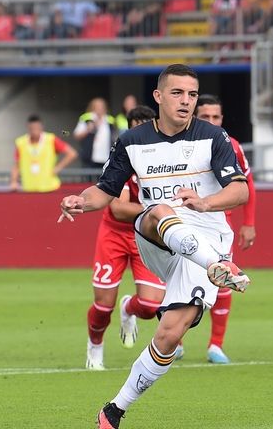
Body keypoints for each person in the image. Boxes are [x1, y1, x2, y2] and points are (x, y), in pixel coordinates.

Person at [57, 64, 250, 429]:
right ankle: (218, 267)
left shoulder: (213, 137)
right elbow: (105, 192)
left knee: (169, 335)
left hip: (206, 236)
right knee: (158, 209)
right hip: (158, 236)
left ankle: (113, 411)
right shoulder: (132, 141)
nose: (187, 101)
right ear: (158, 96)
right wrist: (78, 200)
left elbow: (240, 190)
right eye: (177, 93)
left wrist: (206, 203)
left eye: (192, 94)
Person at [85, 105, 168, 371]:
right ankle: (95, 346)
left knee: (149, 305)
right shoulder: (123, 156)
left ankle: (128, 308)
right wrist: (158, 209)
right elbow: (118, 209)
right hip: (114, 235)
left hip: (145, 236)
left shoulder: (163, 159)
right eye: (136, 126)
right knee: (102, 305)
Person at [194, 94, 257, 364]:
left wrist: (249, 223)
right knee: (182, 282)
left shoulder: (232, 145)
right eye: (205, 116)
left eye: (215, 117)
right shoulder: (182, 145)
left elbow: (247, 184)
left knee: (224, 281)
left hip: (220, 223)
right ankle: (176, 340)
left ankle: (216, 345)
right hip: (186, 222)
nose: (211, 121)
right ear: (195, 117)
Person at [10, 114, 77, 192]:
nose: (35, 130)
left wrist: (57, 168)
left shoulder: (51, 139)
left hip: (49, 186)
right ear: (28, 127)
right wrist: (14, 181)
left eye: (37, 127)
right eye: (32, 128)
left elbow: (72, 153)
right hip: (28, 187)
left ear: (41, 127)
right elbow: (17, 165)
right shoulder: (21, 142)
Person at [73, 97, 117, 168]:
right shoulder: (86, 118)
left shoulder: (110, 120)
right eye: (97, 107)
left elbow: (115, 137)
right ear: (92, 107)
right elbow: (76, 135)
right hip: (90, 159)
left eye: (102, 106)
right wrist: (88, 129)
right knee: (89, 178)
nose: (100, 109)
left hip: (106, 158)